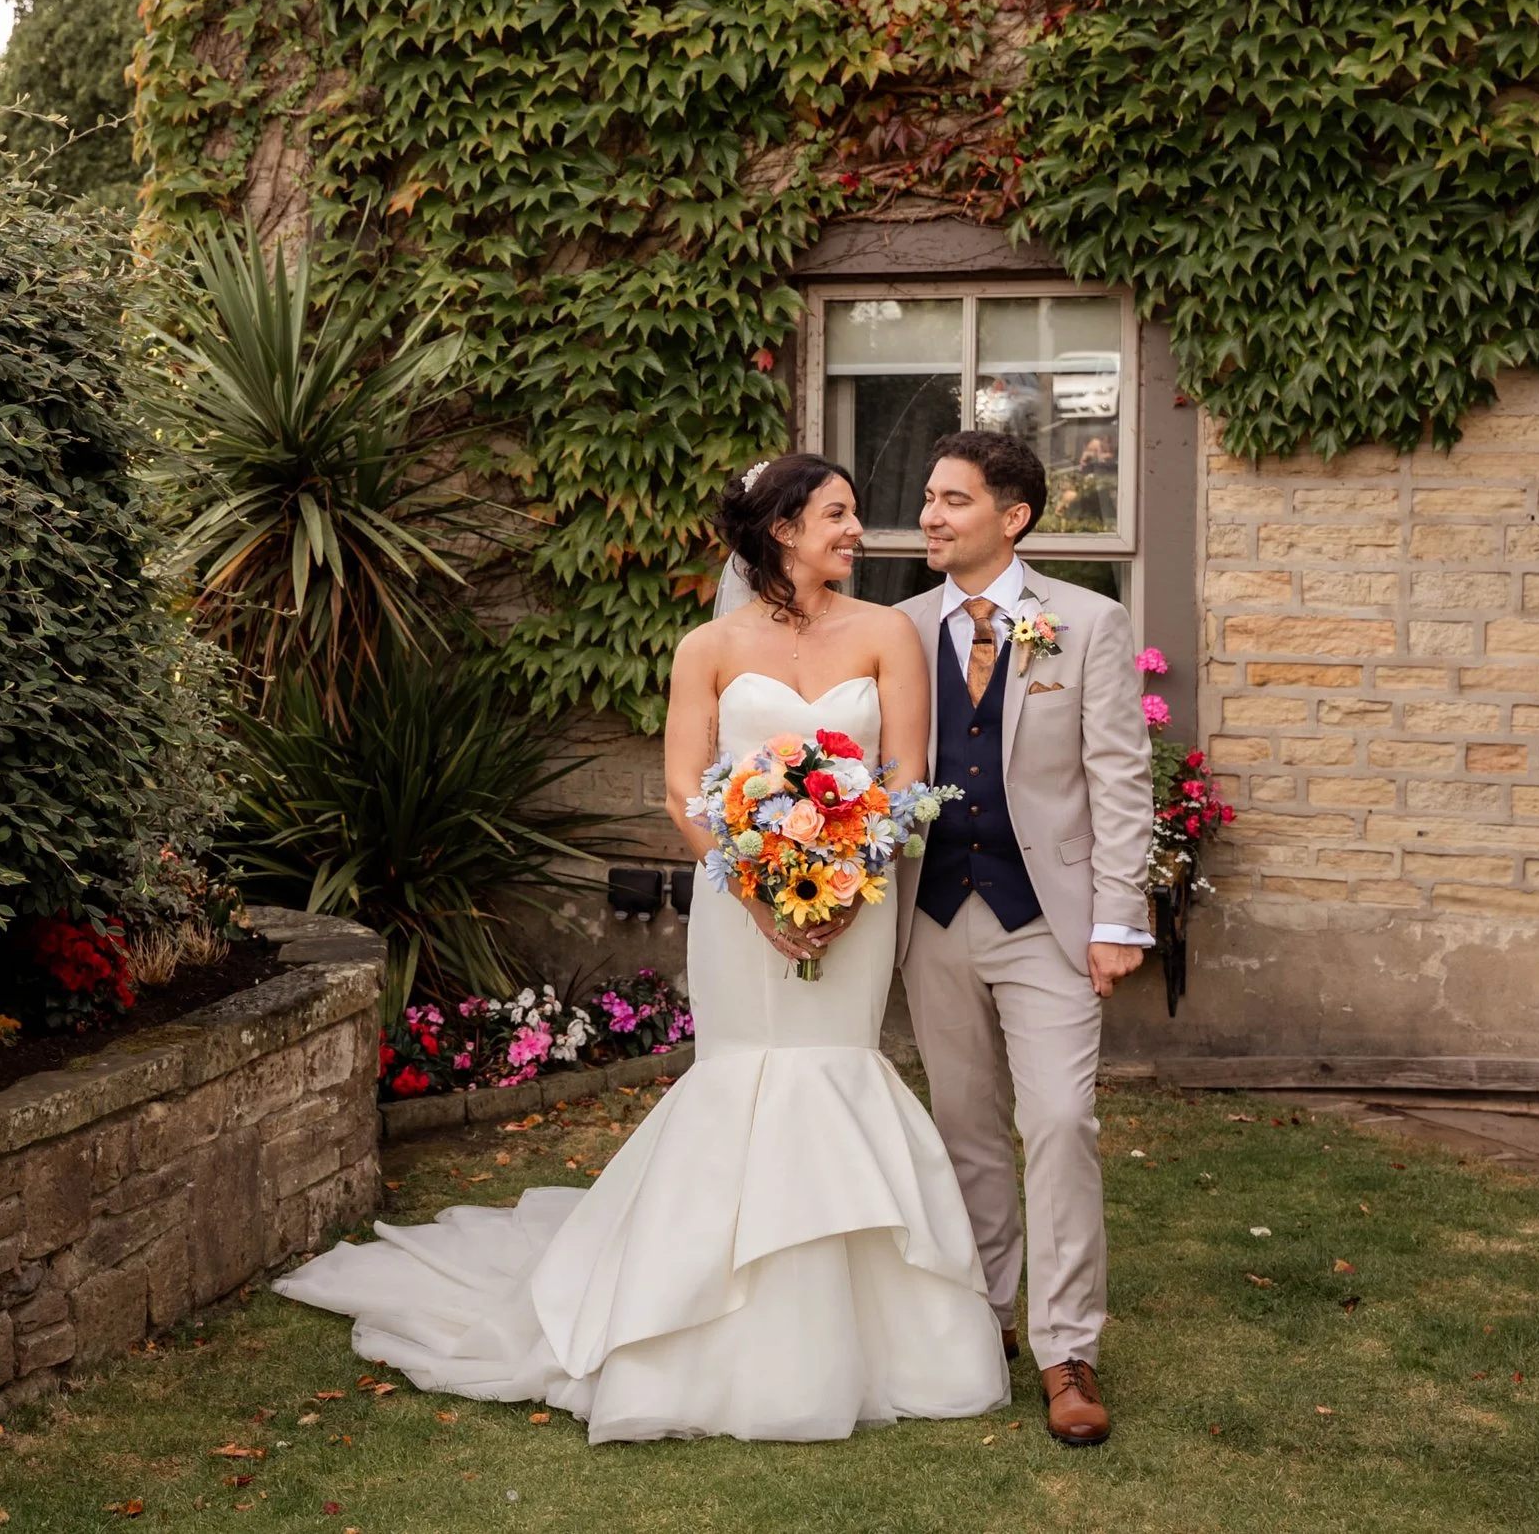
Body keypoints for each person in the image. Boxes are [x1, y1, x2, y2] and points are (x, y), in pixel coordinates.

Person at [273, 452, 1008, 1440]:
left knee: (836, 1066)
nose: (855, 530)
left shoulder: (887, 634)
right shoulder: (706, 644)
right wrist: (756, 894)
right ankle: (689, 1326)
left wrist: (847, 876)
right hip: (738, 898)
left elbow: (906, 773)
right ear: (781, 528)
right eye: (836, 513)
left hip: (853, 895)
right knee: (745, 1076)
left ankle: (874, 1334)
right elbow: (683, 792)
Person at [895, 429, 1155, 1446]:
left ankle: (1066, 1347)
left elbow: (1117, 775)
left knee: (1057, 1122)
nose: (928, 514)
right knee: (962, 1122)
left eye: (951, 499)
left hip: (1045, 918)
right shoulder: (901, 625)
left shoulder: (1080, 623)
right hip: (932, 914)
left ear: (1012, 517)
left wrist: (1116, 914)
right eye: (927, 495)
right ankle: (986, 1314)